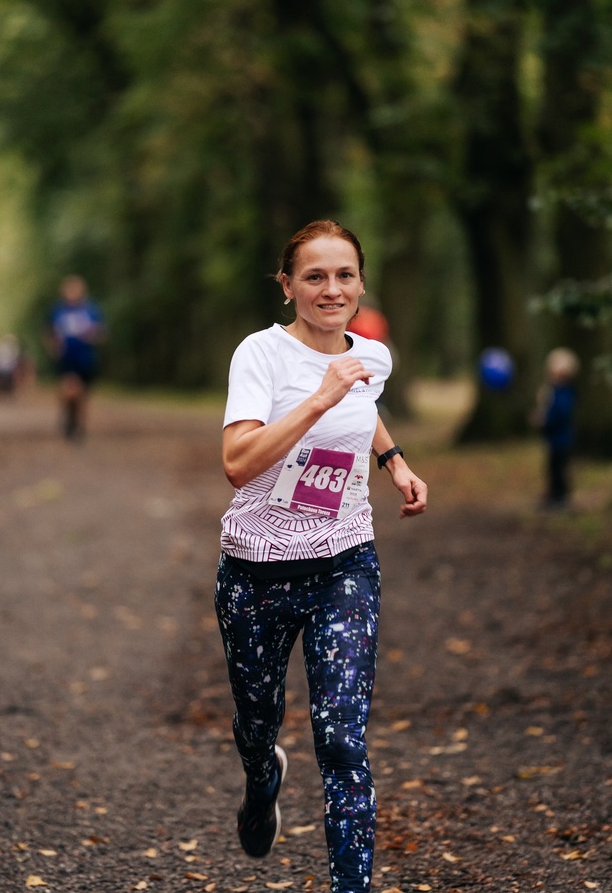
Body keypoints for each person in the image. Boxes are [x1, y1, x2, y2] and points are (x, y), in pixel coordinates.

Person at [214, 220, 428, 893]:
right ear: (287, 286)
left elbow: (364, 406)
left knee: (341, 739)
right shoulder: (261, 355)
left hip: (344, 563)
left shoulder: (372, 357)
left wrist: (394, 462)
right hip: (256, 573)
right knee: (257, 724)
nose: (330, 289)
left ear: (360, 284)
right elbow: (237, 463)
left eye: (344, 275)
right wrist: (319, 397)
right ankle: (261, 779)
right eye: (314, 276)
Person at [45, 275, 105, 440]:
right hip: (66, 358)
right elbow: (49, 332)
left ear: (82, 291)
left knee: (82, 393)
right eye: (69, 290)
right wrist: (53, 347)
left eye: (76, 289)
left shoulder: (91, 310)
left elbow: (101, 332)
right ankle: (69, 416)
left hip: (85, 357)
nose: (73, 293)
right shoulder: (58, 311)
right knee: (68, 388)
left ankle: (79, 423)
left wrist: (94, 336)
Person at [533, 347, 579, 509]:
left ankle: (561, 497)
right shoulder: (553, 391)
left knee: (559, 469)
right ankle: (553, 495)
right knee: (552, 468)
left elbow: (560, 413)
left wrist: (546, 420)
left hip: (562, 439)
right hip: (554, 439)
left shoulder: (564, 392)